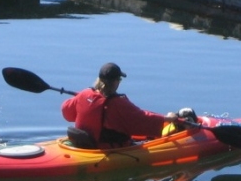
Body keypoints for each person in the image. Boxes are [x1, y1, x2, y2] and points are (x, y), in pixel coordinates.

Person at [61, 63, 192, 149]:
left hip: (82, 145)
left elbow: (66, 112)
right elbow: (142, 119)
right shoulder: (118, 103)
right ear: (115, 82)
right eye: (120, 79)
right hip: (104, 150)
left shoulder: (85, 94)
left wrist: (82, 100)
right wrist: (166, 118)